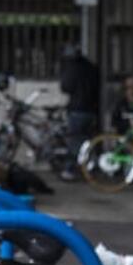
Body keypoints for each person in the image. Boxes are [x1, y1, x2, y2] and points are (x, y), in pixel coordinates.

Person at [57, 44, 100, 181]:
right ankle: (89, 166)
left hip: (77, 110)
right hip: (93, 110)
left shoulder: (72, 69)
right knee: (87, 140)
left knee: (74, 140)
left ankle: (70, 169)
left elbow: (65, 87)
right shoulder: (92, 67)